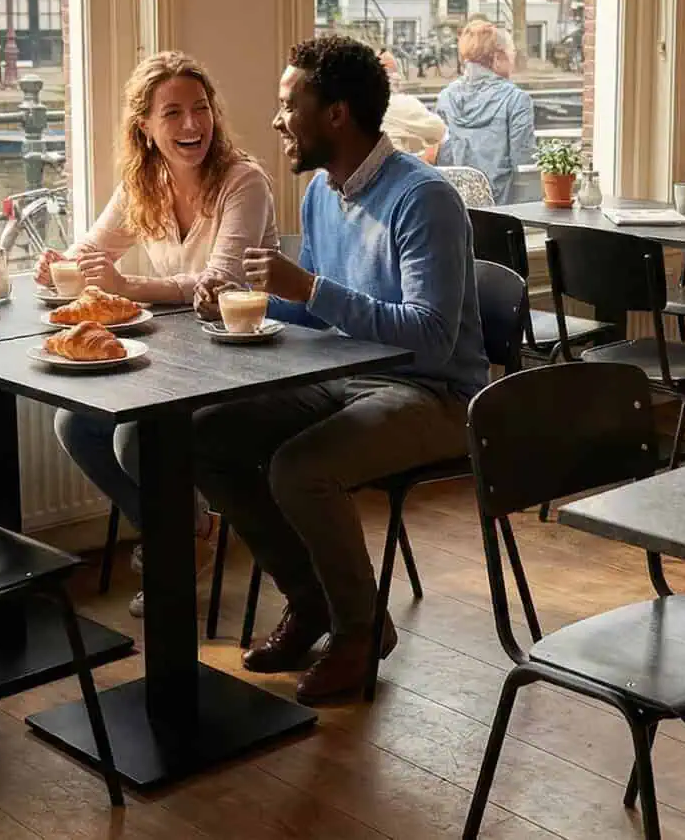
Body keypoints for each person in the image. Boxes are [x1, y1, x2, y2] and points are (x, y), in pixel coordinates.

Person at [193, 34, 486, 703]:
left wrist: (308, 291)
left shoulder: (425, 198)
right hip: (346, 377)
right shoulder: (324, 193)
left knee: (301, 467)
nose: (275, 120)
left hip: (437, 394)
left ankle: (359, 631)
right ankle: (313, 603)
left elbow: (433, 340)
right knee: (206, 433)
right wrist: (250, 303)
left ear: (336, 116)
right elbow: (324, 314)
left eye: (287, 104)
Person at [36, 52, 276, 614]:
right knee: (76, 424)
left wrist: (130, 286)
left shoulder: (244, 180)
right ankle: (189, 534)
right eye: (172, 113)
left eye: (200, 109)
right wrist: (62, 266)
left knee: (132, 437)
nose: (192, 125)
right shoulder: (144, 180)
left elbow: (221, 283)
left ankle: (179, 545)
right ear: (144, 125)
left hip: (244, 353)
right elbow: (93, 249)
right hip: (175, 353)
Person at [434, 19, 536, 203]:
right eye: (511, 52)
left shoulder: (445, 97)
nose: (514, 59)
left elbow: (444, 158)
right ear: (497, 58)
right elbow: (523, 161)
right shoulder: (516, 100)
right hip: (501, 211)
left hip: (456, 208)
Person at [378, 48, 445, 162]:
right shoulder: (402, 104)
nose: (397, 76)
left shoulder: (349, 109)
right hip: (395, 175)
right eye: (392, 70)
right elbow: (439, 130)